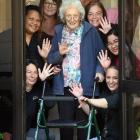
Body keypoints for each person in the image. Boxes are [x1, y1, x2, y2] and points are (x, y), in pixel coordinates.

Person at [47, 0, 104, 139]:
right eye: (68, 16)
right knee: (66, 129)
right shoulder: (59, 31)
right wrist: (59, 53)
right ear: (63, 17)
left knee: (84, 129)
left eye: (75, 16)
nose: (72, 19)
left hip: (85, 86)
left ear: (80, 16)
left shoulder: (90, 30)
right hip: (65, 87)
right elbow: (50, 59)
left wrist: (100, 71)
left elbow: (101, 56)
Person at [70, 66, 121, 140]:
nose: (111, 81)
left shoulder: (122, 95)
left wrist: (87, 99)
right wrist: (79, 97)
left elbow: (107, 102)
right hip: (104, 137)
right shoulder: (105, 93)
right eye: (108, 77)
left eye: (115, 78)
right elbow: (92, 112)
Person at [26, 59, 54, 140]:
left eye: (35, 72)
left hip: (29, 129)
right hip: (14, 130)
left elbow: (50, 103)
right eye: (29, 72)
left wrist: (43, 81)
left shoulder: (38, 87)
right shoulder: (16, 89)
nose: (32, 75)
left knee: (50, 136)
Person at [25, 5, 52, 69]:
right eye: (31, 19)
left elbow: (50, 73)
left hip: (39, 78)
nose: (35, 23)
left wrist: (45, 58)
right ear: (23, 18)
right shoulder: (14, 36)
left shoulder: (45, 39)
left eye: (38, 20)